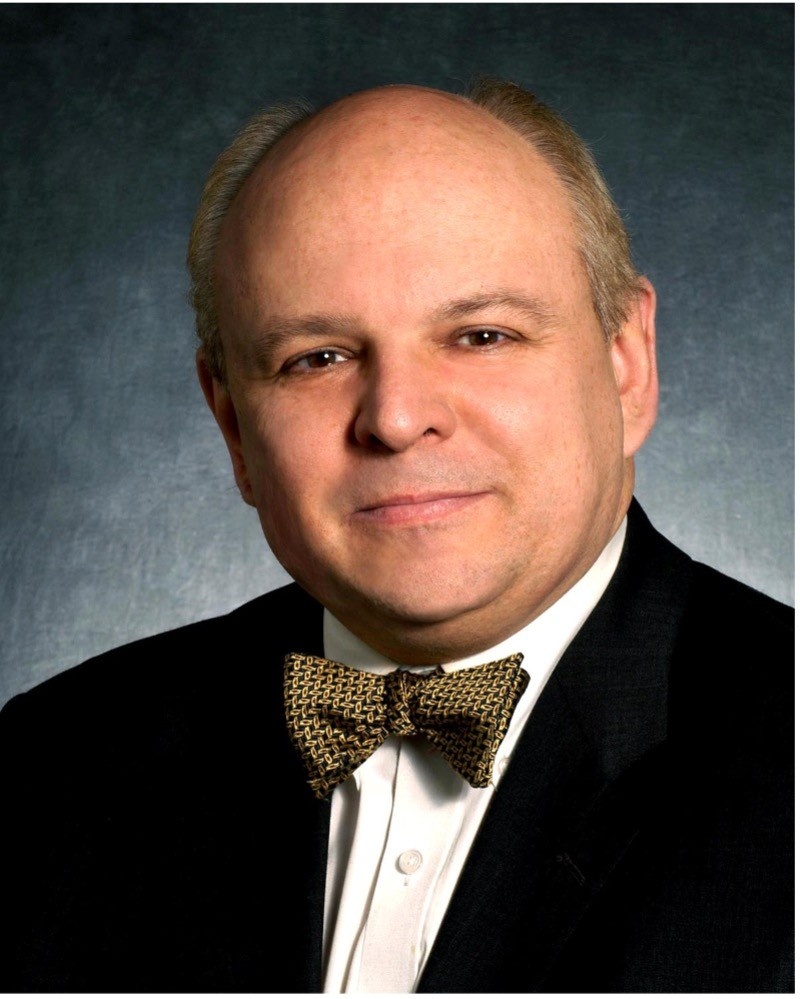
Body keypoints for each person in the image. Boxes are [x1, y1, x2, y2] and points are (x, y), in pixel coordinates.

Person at [1, 79, 792, 993]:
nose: (396, 416)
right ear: (233, 427)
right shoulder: (52, 765)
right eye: (317, 358)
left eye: (482, 335)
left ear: (627, 365)